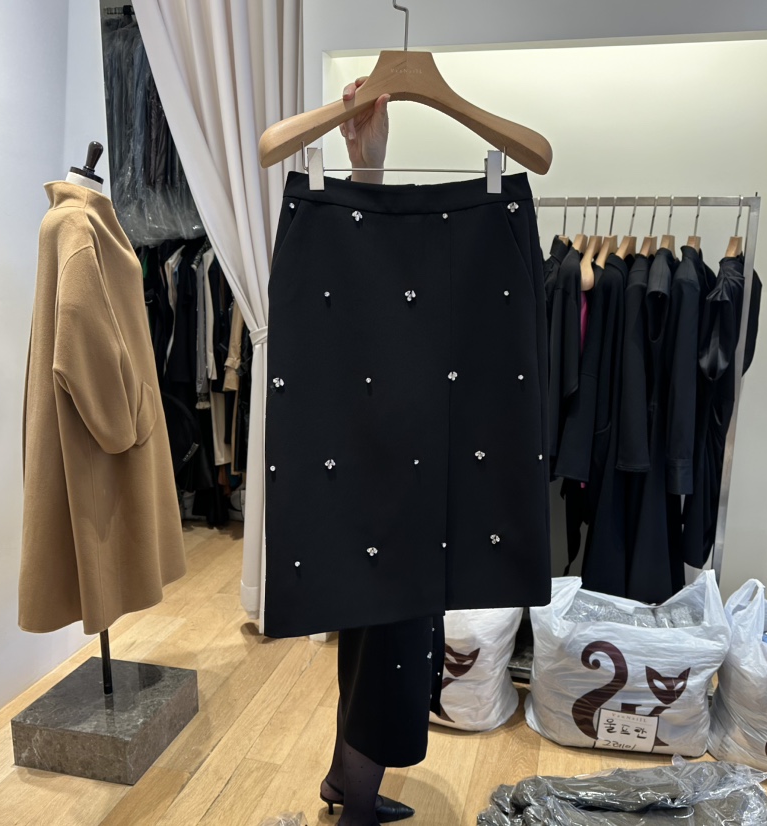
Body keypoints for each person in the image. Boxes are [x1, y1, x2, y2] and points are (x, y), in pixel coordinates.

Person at [316, 79, 429, 826]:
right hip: (386, 481)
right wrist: (368, 170)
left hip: (380, 472)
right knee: (389, 648)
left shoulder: (351, 275)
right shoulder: (347, 272)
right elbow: (370, 279)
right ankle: (355, 807)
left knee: (373, 644)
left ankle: (343, 782)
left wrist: (369, 165)